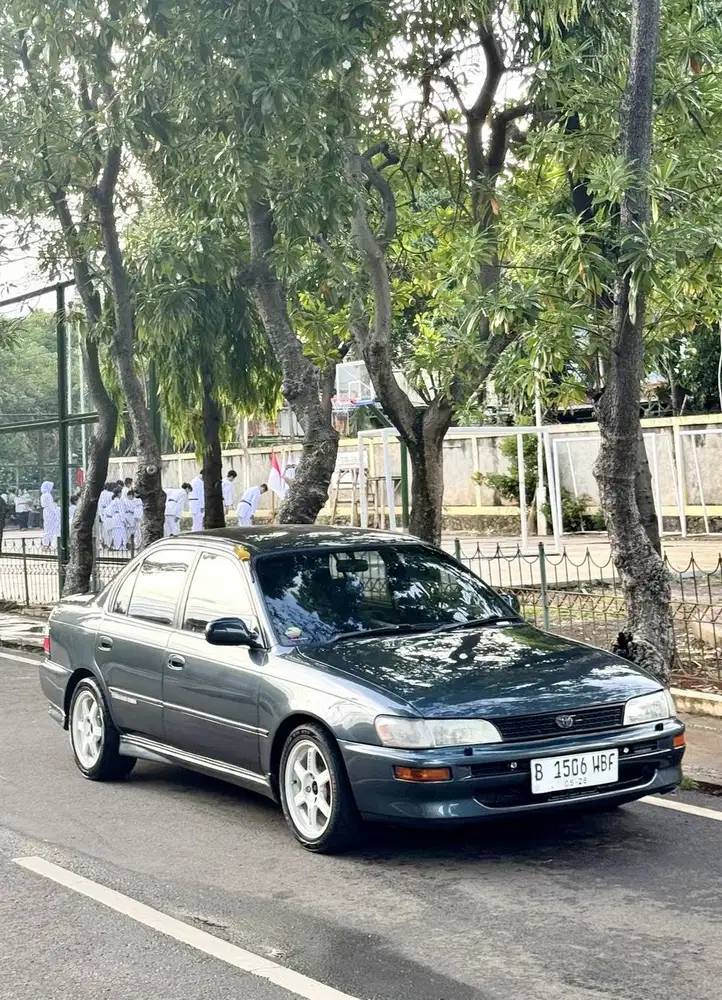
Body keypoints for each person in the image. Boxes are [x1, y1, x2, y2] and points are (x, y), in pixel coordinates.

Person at [104, 485, 128, 551]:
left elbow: (107, 511)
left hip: (114, 517)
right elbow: (121, 511)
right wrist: (124, 520)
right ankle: (121, 546)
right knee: (121, 532)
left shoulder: (113, 501)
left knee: (116, 532)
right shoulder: (118, 501)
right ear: (118, 493)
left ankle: (117, 546)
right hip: (118, 517)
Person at [40, 481, 61, 549]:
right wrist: (55, 512)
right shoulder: (47, 495)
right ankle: (47, 544)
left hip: (46, 511)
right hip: (50, 512)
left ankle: (46, 543)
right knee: (49, 528)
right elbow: (50, 505)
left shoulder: (43, 495)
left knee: (47, 527)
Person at [97, 482, 114, 549]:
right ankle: (109, 543)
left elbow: (100, 504)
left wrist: (100, 514)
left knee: (102, 529)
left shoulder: (101, 494)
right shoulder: (111, 494)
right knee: (109, 529)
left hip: (103, 512)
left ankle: (104, 543)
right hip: (109, 513)